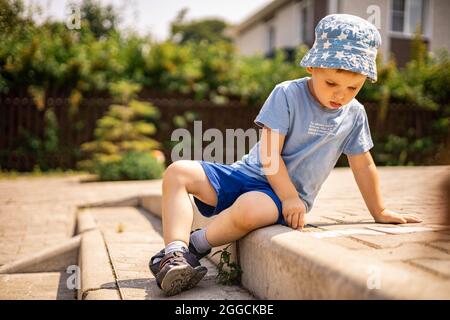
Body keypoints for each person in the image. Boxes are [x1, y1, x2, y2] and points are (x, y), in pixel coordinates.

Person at [149, 14, 422, 296]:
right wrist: (288, 195)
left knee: (251, 208)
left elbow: (363, 166)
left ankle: (197, 246)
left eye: (353, 88)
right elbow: (269, 153)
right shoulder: (288, 94)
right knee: (178, 171)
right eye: (331, 84)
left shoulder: (354, 115)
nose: (340, 95)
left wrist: (379, 211)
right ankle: (175, 253)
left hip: (279, 198)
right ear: (313, 67)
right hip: (246, 174)